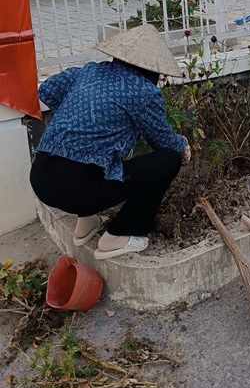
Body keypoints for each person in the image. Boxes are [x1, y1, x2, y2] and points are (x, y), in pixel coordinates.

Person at [30, 24, 192, 260]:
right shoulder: (142, 91)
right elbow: (164, 141)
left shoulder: (89, 72)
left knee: (93, 161)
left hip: (40, 178)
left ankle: (85, 224)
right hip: (76, 188)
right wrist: (183, 146)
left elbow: (47, 90)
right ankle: (118, 235)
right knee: (167, 160)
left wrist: (80, 116)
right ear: (154, 70)